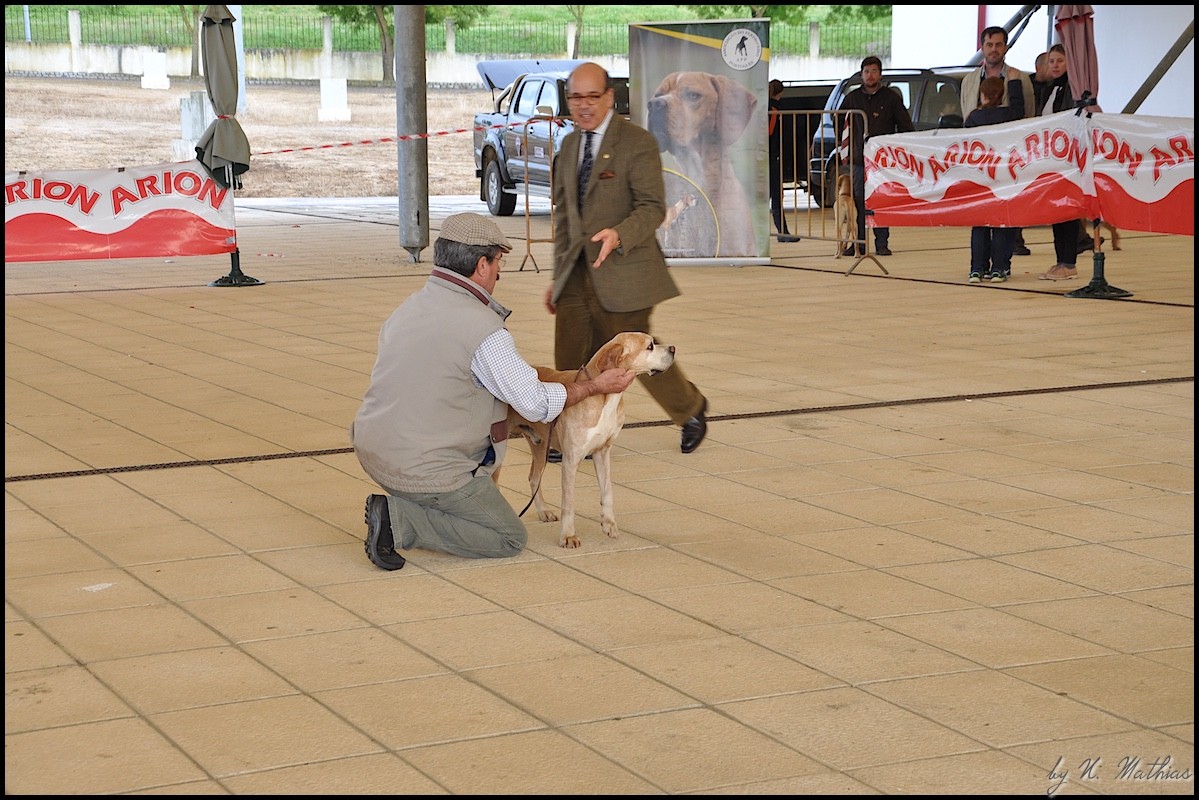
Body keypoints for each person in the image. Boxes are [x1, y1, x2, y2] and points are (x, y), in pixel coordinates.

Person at [350, 212, 636, 570]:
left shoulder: (407, 308)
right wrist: (594, 385)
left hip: (373, 451)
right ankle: (398, 520)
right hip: (425, 469)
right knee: (507, 536)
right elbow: (535, 403)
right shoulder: (483, 330)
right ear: (482, 265)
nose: (500, 271)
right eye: (499, 261)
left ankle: (414, 502)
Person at [545, 61, 710, 456]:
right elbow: (565, 217)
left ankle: (690, 410)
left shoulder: (637, 142)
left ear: (609, 97)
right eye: (575, 98)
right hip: (576, 274)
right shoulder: (569, 147)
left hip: (625, 270)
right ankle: (569, 433)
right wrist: (557, 276)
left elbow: (652, 208)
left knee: (634, 357)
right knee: (569, 358)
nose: (584, 106)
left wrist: (619, 234)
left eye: (592, 97)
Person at [961, 26, 1036, 258]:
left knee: (1006, 211)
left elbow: (1026, 116)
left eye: (998, 45)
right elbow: (966, 118)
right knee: (980, 215)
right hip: (979, 161)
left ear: (1005, 47)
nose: (994, 49)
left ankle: (1004, 257)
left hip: (1009, 159)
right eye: (989, 45)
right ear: (982, 47)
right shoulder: (969, 80)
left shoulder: (1020, 78)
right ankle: (980, 264)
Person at [837, 56, 914, 256]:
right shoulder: (852, 98)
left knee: (881, 200)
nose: (870, 75)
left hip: (882, 162)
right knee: (858, 201)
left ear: (880, 74)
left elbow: (905, 125)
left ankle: (882, 243)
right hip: (858, 160)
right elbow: (837, 120)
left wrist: (898, 149)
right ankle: (859, 244)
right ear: (861, 74)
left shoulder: (891, 98)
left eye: (874, 71)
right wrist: (847, 145)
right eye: (866, 71)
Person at [964, 74, 1025, 284]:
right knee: (1002, 223)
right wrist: (1014, 83)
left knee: (979, 223)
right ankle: (999, 268)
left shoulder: (973, 118)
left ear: (982, 95)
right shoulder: (1009, 115)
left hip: (979, 176)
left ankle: (977, 269)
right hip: (1004, 176)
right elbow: (1020, 109)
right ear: (1001, 95)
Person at [1037, 43, 1088, 281]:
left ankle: (1069, 261)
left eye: (1059, 61)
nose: (1055, 65)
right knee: (1056, 211)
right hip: (1051, 159)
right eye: (1052, 61)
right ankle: (1061, 260)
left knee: (1068, 211)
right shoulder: (1049, 89)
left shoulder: (1074, 90)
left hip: (1069, 159)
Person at [768, 79, 800, 243]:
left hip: (765, 156)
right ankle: (783, 232)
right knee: (775, 195)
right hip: (772, 156)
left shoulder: (765, 106)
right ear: (780, 93)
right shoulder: (774, 109)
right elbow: (770, 131)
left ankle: (782, 232)